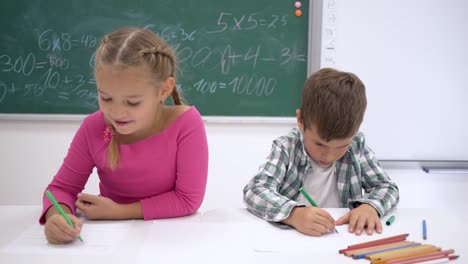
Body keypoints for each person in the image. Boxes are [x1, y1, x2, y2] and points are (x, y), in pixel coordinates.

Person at [40, 27, 209, 244]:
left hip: (171, 239)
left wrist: (119, 211)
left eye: (133, 102)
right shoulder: (93, 127)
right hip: (111, 240)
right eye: (106, 98)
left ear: (164, 90)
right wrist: (56, 217)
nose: (117, 113)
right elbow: (61, 189)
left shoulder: (186, 124)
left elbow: (188, 200)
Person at [243, 68, 399, 237]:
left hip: (342, 239)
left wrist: (371, 206)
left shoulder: (356, 147)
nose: (329, 156)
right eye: (319, 144)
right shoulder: (287, 148)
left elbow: (387, 187)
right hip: (293, 240)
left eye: (341, 146)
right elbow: (255, 190)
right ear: (301, 121)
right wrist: (294, 214)